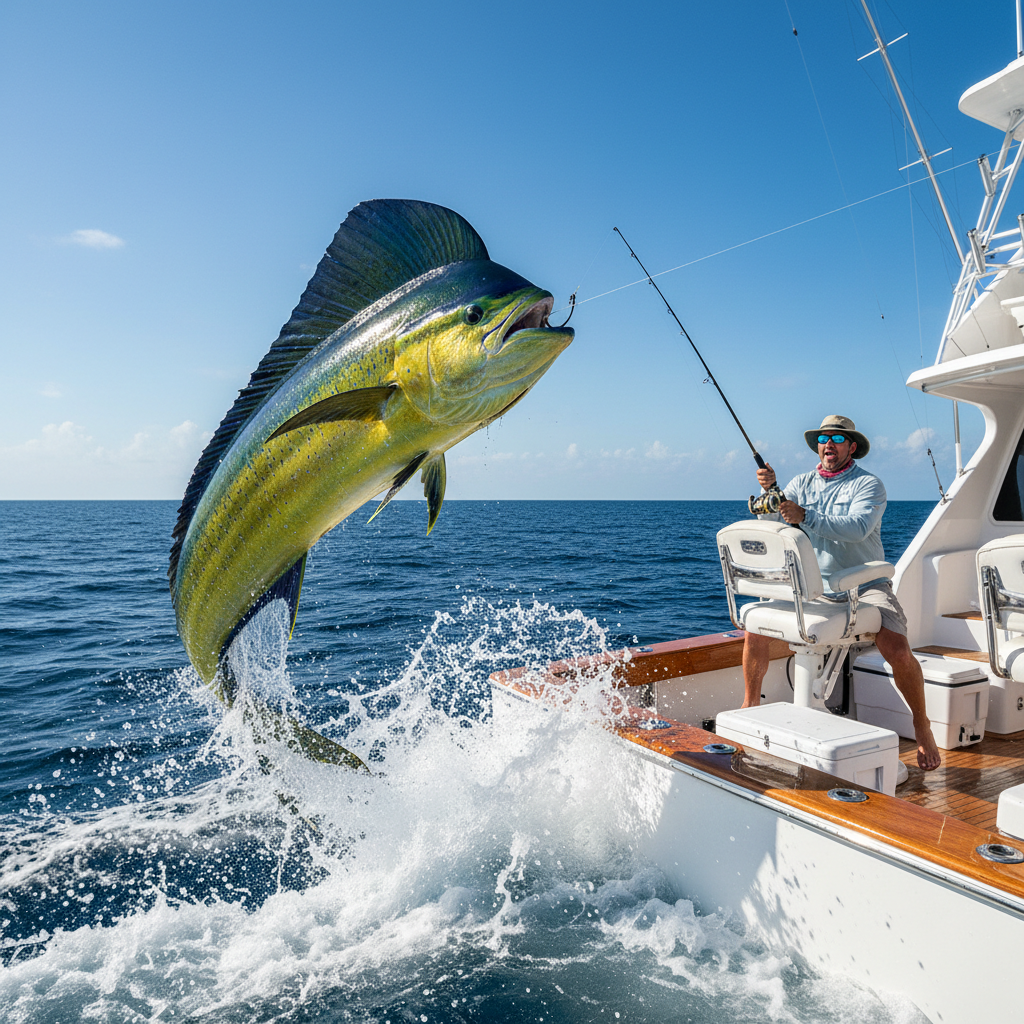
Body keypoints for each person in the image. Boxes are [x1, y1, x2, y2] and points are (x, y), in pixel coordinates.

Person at [742, 414, 942, 772]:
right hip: (813, 587)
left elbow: (859, 528)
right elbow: (769, 525)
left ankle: (921, 724)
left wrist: (806, 516)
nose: (828, 443)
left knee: (897, 647)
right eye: (822, 437)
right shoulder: (800, 483)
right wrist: (768, 493)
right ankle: (749, 706)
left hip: (864, 583)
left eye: (837, 437)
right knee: (757, 624)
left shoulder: (869, 485)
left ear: (852, 447)